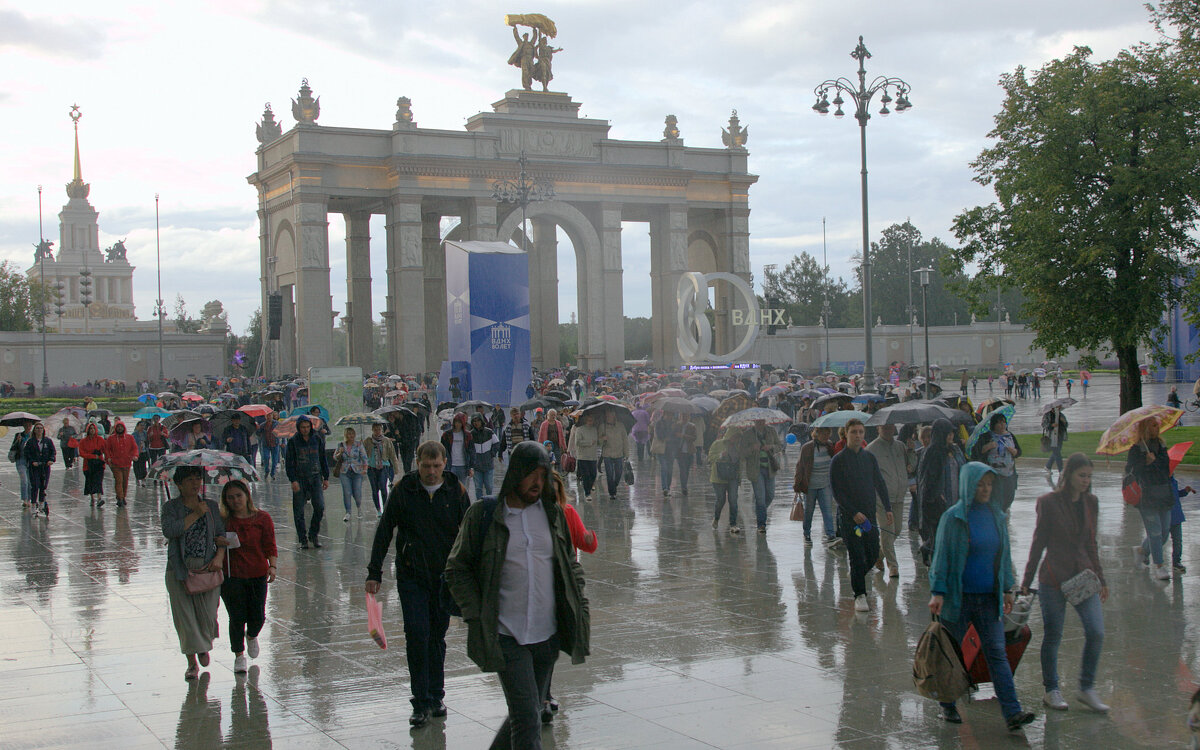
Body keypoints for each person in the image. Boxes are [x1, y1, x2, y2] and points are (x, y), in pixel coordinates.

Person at [443, 441, 590, 750]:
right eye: (531, 474)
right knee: (527, 718)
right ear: (515, 474)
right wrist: (475, 613)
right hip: (506, 634)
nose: (538, 482)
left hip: (546, 637)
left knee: (527, 711)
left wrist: (580, 601)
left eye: (544, 474)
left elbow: (569, 561)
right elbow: (457, 568)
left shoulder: (553, 515)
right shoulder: (484, 513)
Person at [367, 441, 470, 727]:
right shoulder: (404, 489)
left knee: (436, 637)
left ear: (445, 463)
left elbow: (470, 534)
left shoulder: (456, 491)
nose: (432, 472)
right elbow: (385, 528)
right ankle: (420, 701)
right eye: (426, 466)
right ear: (418, 462)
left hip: (444, 577)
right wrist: (374, 571)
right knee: (416, 633)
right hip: (412, 575)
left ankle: (436, 696)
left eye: (437, 466)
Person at [928, 462, 1036, 732]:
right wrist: (938, 592)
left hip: (989, 598)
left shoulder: (996, 515)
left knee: (997, 653)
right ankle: (948, 703)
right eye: (980, 484)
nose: (986, 489)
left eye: (989, 484)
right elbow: (940, 558)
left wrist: (1007, 588)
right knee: (953, 654)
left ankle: (1012, 712)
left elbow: (1005, 555)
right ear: (968, 485)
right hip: (958, 598)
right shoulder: (952, 518)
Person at [1021, 453, 1110, 713]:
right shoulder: (1048, 503)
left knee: (1096, 631)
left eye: (1089, 476)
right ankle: (1052, 689)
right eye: (1082, 475)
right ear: (1068, 475)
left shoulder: (1091, 502)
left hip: (1083, 576)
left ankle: (1086, 686)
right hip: (1053, 577)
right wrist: (1026, 582)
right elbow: (1038, 542)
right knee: (1053, 634)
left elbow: (1092, 543)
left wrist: (1101, 578)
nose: (1086, 481)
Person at [161, 466, 227, 681]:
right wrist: (195, 515)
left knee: (208, 614)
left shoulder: (210, 505)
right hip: (180, 568)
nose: (194, 483)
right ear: (179, 484)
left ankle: (203, 644)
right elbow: (170, 531)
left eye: (197, 478)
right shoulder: (171, 507)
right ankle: (191, 664)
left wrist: (219, 557)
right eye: (189, 480)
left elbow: (220, 534)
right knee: (185, 618)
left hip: (207, 567)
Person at [541, 471, 596, 722]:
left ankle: (544, 692)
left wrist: (588, 537)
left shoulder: (567, 513)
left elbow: (587, 545)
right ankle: (541, 694)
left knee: (549, 643)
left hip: (561, 585)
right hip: (537, 587)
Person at [829, 419, 893, 611]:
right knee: (856, 555)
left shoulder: (869, 458)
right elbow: (837, 492)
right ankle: (860, 595)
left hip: (869, 516)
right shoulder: (838, 461)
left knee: (872, 552)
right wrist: (853, 512)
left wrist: (888, 507)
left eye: (861, 432)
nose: (857, 436)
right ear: (846, 434)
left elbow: (879, 483)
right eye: (854, 432)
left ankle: (856, 574)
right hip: (850, 518)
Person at [219, 479, 277, 674]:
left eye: (238, 496)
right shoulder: (224, 521)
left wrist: (273, 566)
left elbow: (270, 544)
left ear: (247, 496)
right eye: (230, 497)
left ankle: (251, 636)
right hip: (231, 575)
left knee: (258, 615)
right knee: (236, 616)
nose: (235, 501)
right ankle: (238, 655)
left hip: (257, 573)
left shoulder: (262, 518)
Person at [1128, 419, 1174, 580]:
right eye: (1154, 425)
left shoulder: (1161, 446)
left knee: (1164, 532)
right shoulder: (1136, 449)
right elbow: (1131, 470)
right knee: (1155, 532)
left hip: (1164, 493)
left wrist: (1156, 462)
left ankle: (1142, 551)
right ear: (1146, 428)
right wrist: (1145, 463)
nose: (1158, 427)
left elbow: (1166, 467)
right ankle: (1159, 566)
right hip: (1146, 496)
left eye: (1157, 424)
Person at [916, 418, 966, 566]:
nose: (950, 436)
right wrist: (936, 496)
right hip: (938, 502)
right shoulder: (931, 452)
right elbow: (927, 479)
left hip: (956, 496)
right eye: (947, 433)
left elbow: (963, 467)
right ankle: (938, 564)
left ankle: (930, 549)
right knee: (941, 534)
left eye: (951, 433)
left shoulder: (955, 449)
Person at [867, 423, 908, 578]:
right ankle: (893, 566)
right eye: (884, 427)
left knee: (896, 530)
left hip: (899, 495)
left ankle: (878, 555)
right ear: (878, 428)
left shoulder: (900, 446)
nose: (888, 430)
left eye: (890, 427)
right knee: (887, 531)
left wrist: (911, 451)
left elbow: (910, 466)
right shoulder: (872, 449)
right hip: (882, 498)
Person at [284, 416, 329, 549]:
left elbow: (322, 459)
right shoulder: (293, 441)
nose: (305, 430)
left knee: (320, 507)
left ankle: (313, 534)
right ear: (298, 428)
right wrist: (293, 480)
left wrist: (326, 477)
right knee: (299, 511)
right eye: (303, 427)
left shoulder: (317, 439)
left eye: (307, 427)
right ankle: (303, 539)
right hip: (299, 478)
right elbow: (289, 463)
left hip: (315, 477)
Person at [793, 426, 837, 547]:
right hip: (810, 485)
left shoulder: (829, 446)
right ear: (816, 434)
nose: (826, 437)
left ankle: (830, 535)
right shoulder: (807, 448)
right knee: (809, 511)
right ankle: (806, 533)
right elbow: (800, 467)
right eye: (823, 434)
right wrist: (797, 485)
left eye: (828, 434)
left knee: (827, 510)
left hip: (825, 484)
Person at [973, 412, 1021, 512]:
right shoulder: (986, 437)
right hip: (994, 473)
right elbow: (976, 452)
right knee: (997, 496)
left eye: (1004, 422)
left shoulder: (1010, 436)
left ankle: (1003, 510)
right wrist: (987, 447)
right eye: (999, 423)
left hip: (1009, 472)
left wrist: (1014, 452)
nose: (1002, 425)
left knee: (1009, 496)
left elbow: (1018, 451)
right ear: (993, 424)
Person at [744, 418, 783, 534]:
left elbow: (779, 446)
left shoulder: (771, 431)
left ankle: (761, 511)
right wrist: (752, 448)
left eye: (762, 421)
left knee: (770, 495)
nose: (760, 423)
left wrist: (771, 447)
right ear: (754, 422)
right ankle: (761, 524)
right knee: (760, 497)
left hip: (770, 468)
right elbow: (742, 452)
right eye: (758, 421)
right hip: (756, 470)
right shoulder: (748, 434)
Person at [708, 428, 741, 534]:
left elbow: (739, 464)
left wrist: (739, 478)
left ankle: (733, 524)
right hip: (718, 477)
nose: (735, 439)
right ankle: (716, 518)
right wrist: (720, 455)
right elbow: (710, 458)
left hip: (732, 477)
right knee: (720, 500)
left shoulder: (738, 446)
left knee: (733, 499)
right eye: (734, 436)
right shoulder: (717, 444)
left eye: (737, 437)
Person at [362, 422, 398, 517]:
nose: (377, 431)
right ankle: (378, 509)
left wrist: (395, 468)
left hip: (383, 466)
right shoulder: (367, 441)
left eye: (379, 429)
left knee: (383, 487)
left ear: (382, 430)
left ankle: (385, 507)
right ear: (372, 430)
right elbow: (362, 455)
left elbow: (392, 455)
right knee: (375, 489)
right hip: (371, 468)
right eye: (375, 430)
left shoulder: (386, 441)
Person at [334, 427, 368, 522]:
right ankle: (348, 512)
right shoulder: (341, 445)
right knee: (347, 492)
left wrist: (365, 468)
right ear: (345, 435)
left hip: (357, 471)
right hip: (344, 472)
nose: (351, 436)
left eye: (353, 434)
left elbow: (364, 457)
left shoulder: (359, 444)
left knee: (357, 493)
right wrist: (339, 453)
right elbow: (335, 458)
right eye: (349, 434)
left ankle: (359, 507)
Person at [104, 420, 139, 507]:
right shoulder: (111, 439)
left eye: (121, 427)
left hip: (126, 463)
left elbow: (134, 448)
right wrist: (109, 459)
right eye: (118, 427)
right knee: (119, 480)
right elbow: (107, 449)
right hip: (115, 464)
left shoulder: (129, 438)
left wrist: (135, 455)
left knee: (125, 481)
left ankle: (122, 496)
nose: (120, 428)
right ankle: (120, 497)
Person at [24, 423, 55, 517]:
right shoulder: (30, 442)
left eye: (41, 428)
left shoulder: (47, 441)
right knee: (35, 485)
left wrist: (51, 459)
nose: (39, 430)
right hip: (34, 467)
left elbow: (52, 452)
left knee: (43, 486)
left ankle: (41, 504)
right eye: (37, 428)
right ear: (34, 430)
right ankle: (33, 506)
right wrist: (32, 461)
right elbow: (27, 453)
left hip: (45, 467)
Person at [597, 409, 630, 501]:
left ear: (614, 416)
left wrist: (626, 453)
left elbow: (625, 440)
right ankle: (612, 493)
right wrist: (602, 439)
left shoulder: (621, 426)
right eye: (607, 416)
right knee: (610, 474)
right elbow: (598, 442)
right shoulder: (602, 426)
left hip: (619, 453)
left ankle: (613, 485)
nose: (609, 417)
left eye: (610, 415)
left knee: (619, 473)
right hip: (607, 454)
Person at [567, 412, 599, 501]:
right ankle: (587, 493)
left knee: (593, 474)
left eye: (591, 420)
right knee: (586, 475)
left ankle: (590, 486)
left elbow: (597, 441)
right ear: (585, 420)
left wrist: (602, 440)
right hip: (583, 456)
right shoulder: (579, 429)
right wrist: (589, 443)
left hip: (592, 456)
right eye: (589, 420)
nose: (590, 422)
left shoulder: (594, 429)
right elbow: (577, 442)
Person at [469, 413, 499, 499]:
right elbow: (469, 449)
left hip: (488, 465)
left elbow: (496, 443)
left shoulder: (489, 432)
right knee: (478, 488)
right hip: (477, 466)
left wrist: (492, 454)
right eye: (474, 421)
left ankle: (489, 504)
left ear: (481, 421)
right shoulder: (471, 435)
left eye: (478, 420)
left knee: (489, 487)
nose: (476, 423)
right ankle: (479, 505)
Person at [79, 422, 108, 508]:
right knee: (90, 481)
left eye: (93, 429)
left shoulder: (100, 440)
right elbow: (81, 453)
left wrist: (107, 459)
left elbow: (105, 450)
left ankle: (99, 498)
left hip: (99, 464)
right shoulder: (83, 441)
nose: (92, 430)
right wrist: (92, 456)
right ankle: (92, 497)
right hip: (88, 465)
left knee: (98, 481)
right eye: (90, 429)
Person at [441, 412, 473, 486]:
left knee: (462, 487)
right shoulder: (447, 435)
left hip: (463, 465)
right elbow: (442, 450)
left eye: (459, 422)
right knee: (450, 487)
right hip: (450, 465)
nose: (457, 424)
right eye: (456, 422)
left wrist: (471, 467)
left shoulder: (467, 435)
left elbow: (471, 451)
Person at [10, 420, 34, 509]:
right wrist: (18, 441)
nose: (28, 427)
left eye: (29, 425)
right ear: (23, 426)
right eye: (26, 425)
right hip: (21, 460)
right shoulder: (18, 435)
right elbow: (13, 447)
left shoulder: (33, 436)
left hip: (31, 461)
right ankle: (25, 499)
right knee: (24, 480)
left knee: (30, 481)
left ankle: (29, 499)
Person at [1041, 407, 1069, 474]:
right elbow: (1044, 425)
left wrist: (1064, 422)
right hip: (1052, 437)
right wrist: (1051, 425)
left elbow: (1066, 425)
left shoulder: (1061, 415)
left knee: (1056, 452)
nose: (1059, 408)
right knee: (1057, 453)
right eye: (1057, 407)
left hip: (1060, 436)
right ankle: (1061, 470)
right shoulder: (1047, 415)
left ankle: (1048, 466)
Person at [258, 412, 280, 480]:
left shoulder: (277, 424)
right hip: (266, 444)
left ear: (272, 416)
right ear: (265, 417)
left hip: (275, 444)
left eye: (270, 415)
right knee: (266, 457)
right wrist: (258, 429)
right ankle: (266, 470)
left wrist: (282, 441)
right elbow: (258, 434)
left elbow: (281, 432)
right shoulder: (262, 425)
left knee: (275, 460)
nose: (269, 417)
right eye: (267, 416)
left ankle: (272, 473)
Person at [132, 419, 150, 486]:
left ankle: (143, 479)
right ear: (137, 426)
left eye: (143, 425)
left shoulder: (145, 433)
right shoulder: (134, 434)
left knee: (143, 466)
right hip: (136, 452)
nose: (142, 427)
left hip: (144, 451)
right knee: (136, 466)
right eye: (140, 425)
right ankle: (137, 478)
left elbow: (148, 442)